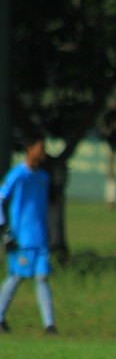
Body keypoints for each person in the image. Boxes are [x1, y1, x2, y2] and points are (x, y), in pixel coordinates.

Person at [0, 135, 56, 334]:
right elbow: (0, 198)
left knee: (42, 277)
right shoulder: (18, 174)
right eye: (40, 148)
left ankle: (49, 325)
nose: (43, 153)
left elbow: (42, 209)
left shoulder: (43, 178)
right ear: (29, 149)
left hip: (40, 238)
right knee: (16, 276)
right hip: (21, 238)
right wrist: (4, 229)